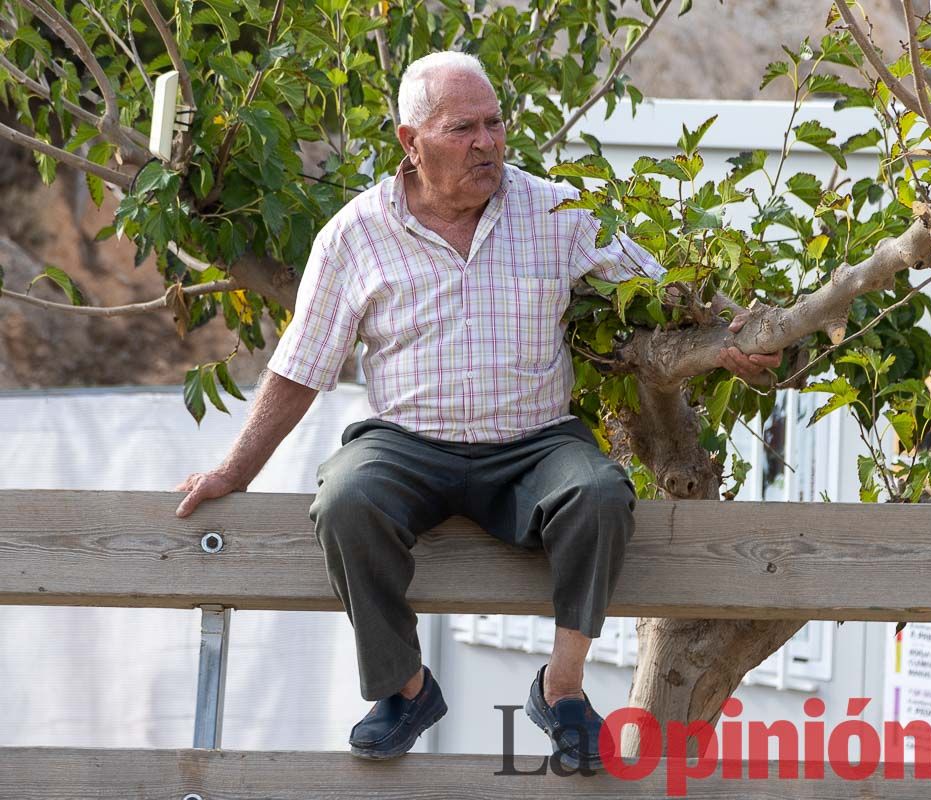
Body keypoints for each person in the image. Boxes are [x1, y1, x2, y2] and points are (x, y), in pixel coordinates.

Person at [174, 50, 779, 768]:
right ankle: (404, 687)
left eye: (496, 123)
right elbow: (300, 369)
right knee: (344, 497)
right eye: (465, 128)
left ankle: (563, 691)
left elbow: (660, 287)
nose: (489, 142)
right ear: (411, 141)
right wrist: (233, 471)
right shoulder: (354, 233)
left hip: (534, 445)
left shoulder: (554, 207)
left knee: (599, 492)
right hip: (406, 443)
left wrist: (730, 336)